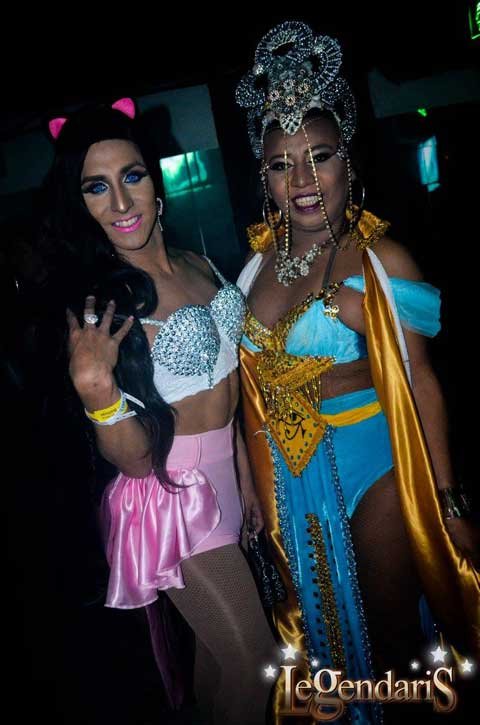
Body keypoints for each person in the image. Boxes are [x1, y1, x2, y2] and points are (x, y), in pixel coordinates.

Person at [235, 21, 479, 723]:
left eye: (320, 156)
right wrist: (253, 482)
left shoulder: (384, 261)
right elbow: (248, 392)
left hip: (379, 461)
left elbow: (422, 381)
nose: (303, 181)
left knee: (390, 629)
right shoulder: (253, 270)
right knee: (332, 638)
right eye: (281, 164)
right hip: (296, 476)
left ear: (348, 160)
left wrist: (449, 501)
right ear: (264, 178)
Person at [40, 98, 276, 725]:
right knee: (257, 662)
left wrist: (246, 473)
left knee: (219, 665)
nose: (121, 203)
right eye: (96, 187)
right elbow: (136, 462)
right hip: (171, 498)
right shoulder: (103, 306)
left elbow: (230, 382)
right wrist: (96, 390)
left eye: (132, 176)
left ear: (156, 180)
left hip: (228, 480)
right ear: (80, 205)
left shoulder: (199, 263)